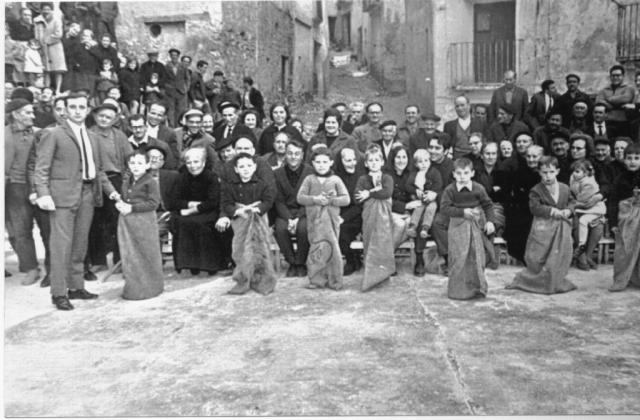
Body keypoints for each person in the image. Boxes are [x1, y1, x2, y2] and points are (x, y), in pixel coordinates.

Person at [34, 92, 118, 310]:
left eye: (82, 107)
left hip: (88, 194)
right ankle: (58, 292)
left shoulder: (92, 137)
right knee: (61, 245)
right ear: (65, 109)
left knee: (80, 244)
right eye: (73, 107)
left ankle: (76, 286)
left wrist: (112, 193)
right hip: (62, 196)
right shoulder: (53, 134)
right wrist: (43, 194)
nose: (77, 111)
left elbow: (99, 171)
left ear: (88, 109)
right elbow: (41, 168)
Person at [506, 156, 577, 294]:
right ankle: (536, 281)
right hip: (543, 228)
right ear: (539, 172)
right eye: (544, 172)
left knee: (560, 254)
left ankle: (555, 280)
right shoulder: (536, 190)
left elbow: (572, 202)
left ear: (557, 171)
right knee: (539, 255)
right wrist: (551, 211)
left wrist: (569, 210)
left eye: (551, 172)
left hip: (562, 227)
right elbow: (534, 208)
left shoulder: (564, 188)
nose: (548, 176)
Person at [86, 102, 133, 277]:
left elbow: (130, 159)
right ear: (95, 116)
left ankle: (119, 260)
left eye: (109, 117)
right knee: (95, 222)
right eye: (101, 115)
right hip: (94, 182)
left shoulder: (119, 136)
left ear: (114, 120)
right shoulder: (88, 134)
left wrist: (126, 179)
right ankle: (98, 260)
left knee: (117, 220)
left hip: (116, 180)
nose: (104, 119)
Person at [440, 158, 496, 300]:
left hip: (475, 224)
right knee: (459, 256)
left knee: (476, 256)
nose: (462, 177)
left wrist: (490, 221)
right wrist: (462, 212)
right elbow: (444, 208)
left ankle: (477, 288)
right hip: (458, 225)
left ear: (472, 173)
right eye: (459, 173)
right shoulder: (450, 190)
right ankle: (458, 290)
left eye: (466, 173)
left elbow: (488, 205)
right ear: (453, 174)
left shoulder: (478, 188)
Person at [221, 153, 277, 295]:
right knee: (241, 249)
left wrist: (258, 209)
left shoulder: (262, 184)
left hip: (259, 220)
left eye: (248, 166)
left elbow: (268, 201)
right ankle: (243, 279)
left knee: (260, 248)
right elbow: (226, 204)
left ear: (254, 167)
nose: (245, 169)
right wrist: (237, 211)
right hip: (240, 220)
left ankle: (262, 279)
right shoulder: (230, 187)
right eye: (241, 166)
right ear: (236, 169)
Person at [297, 147, 350, 290]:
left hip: (331, 222)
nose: (321, 165)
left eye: (325, 162)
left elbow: (346, 199)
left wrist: (332, 201)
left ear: (331, 162)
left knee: (332, 249)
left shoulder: (336, 179)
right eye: (318, 162)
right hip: (314, 222)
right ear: (313, 163)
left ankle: (335, 280)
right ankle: (316, 280)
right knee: (316, 250)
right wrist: (315, 199)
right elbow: (300, 198)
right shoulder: (309, 179)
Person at [5, 98, 44, 286]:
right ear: (15, 114)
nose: (33, 116)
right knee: (20, 230)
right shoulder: (4, 134)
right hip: (14, 187)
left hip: (38, 185)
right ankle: (30, 267)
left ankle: (52, 267)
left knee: (46, 228)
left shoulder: (39, 133)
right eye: (28, 112)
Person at [115, 150, 164, 300]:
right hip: (128, 221)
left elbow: (154, 203)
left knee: (146, 253)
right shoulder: (127, 180)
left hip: (144, 221)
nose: (136, 166)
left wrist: (133, 208)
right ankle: (134, 287)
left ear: (148, 164)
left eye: (140, 163)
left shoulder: (150, 181)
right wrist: (121, 204)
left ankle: (151, 288)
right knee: (130, 254)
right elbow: (125, 198)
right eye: (132, 163)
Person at [170, 147, 223, 275]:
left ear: (203, 162)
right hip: (187, 210)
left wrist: (192, 210)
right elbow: (174, 200)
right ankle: (188, 264)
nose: (193, 166)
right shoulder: (181, 178)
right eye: (189, 162)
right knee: (181, 222)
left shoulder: (211, 177)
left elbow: (213, 201)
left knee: (202, 224)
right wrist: (191, 204)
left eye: (196, 162)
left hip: (207, 211)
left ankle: (209, 265)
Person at [355, 145, 396, 291]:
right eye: (370, 160)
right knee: (370, 240)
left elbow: (387, 193)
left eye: (376, 160)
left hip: (384, 216)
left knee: (383, 241)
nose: (373, 163)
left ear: (382, 162)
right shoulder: (362, 179)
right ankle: (371, 275)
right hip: (369, 215)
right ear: (366, 163)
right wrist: (372, 192)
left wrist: (370, 193)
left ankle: (384, 273)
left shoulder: (387, 178)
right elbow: (357, 196)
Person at [273, 140, 313, 277]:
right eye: (290, 153)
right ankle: (292, 262)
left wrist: (297, 218)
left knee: (304, 229)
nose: (293, 156)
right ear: (285, 154)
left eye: (297, 153)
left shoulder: (310, 172)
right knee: (280, 229)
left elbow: (310, 199)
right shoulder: (277, 173)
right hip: (285, 212)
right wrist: (289, 219)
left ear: (302, 155)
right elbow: (278, 200)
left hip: (305, 211)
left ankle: (301, 263)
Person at [608, 143, 640, 292]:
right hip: (626, 219)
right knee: (624, 250)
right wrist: (613, 223)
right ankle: (621, 279)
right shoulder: (619, 179)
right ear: (623, 159)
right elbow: (613, 201)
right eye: (629, 158)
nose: (632, 161)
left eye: (637, 158)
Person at [569, 159, 606, 269]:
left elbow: (582, 199)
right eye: (573, 171)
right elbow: (571, 191)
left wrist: (574, 202)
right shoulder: (574, 178)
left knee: (584, 221)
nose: (574, 174)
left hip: (593, 207)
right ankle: (583, 255)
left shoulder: (589, 183)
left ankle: (583, 249)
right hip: (582, 206)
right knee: (576, 220)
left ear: (585, 173)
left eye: (577, 172)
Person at [334, 147, 365, 275]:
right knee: (337, 229)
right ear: (341, 161)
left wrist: (344, 218)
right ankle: (352, 259)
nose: (352, 163)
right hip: (340, 213)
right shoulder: (336, 177)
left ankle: (354, 259)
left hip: (358, 214)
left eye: (354, 160)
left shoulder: (361, 176)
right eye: (348, 160)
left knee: (344, 230)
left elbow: (360, 204)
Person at [406, 149, 441, 241]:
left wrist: (433, 193)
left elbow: (438, 184)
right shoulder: (414, 174)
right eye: (420, 162)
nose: (424, 164)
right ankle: (413, 227)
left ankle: (425, 228)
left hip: (431, 199)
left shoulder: (434, 172)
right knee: (418, 208)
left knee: (431, 208)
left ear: (430, 161)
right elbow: (408, 186)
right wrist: (415, 190)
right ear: (416, 164)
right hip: (420, 199)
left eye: (426, 161)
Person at [33, 3, 66, 94]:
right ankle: (47, 89)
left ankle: (58, 89)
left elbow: (58, 34)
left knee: (58, 69)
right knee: (46, 70)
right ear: (41, 10)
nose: (46, 11)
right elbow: (36, 34)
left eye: (48, 9)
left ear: (52, 10)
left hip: (55, 47)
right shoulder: (37, 21)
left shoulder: (56, 20)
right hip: (43, 48)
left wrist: (46, 40)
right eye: (44, 9)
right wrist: (39, 44)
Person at [596, 65, 636, 137]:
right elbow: (599, 102)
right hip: (607, 121)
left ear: (623, 76)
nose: (615, 78)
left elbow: (626, 98)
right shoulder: (604, 90)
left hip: (624, 122)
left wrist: (608, 100)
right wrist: (614, 104)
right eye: (613, 76)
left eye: (618, 75)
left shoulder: (629, 89)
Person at [164, 48, 190, 127]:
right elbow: (163, 79)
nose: (174, 57)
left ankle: (179, 127)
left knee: (181, 110)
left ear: (178, 56)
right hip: (170, 92)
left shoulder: (183, 66)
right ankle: (172, 127)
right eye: (172, 55)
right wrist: (166, 88)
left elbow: (187, 78)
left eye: (175, 55)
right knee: (171, 111)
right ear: (170, 56)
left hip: (181, 91)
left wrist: (186, 88)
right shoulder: (166, 66)